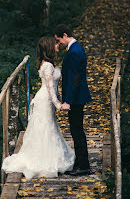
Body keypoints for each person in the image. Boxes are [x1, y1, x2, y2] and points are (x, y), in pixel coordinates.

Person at [2, 37, 75, 181]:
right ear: (49, 47)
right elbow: (49, 88)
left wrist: (61, 99)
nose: (57, 45)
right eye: (54, 43)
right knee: (45, 128)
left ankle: (50, 156)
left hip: (49, 99)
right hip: (45, 100)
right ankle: (43, 160)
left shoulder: (49, 63)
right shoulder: (47, 65)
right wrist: (58, 104)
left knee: (49, 127)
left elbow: (54, 86)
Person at [54, 24, 92, 176]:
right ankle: (81, 163)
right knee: (77, 131)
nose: (59, 44)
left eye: (59, 40)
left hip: (75, 99)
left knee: (77, 132)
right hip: (76, 97)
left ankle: (83, 165)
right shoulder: (76, 49)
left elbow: (75, 79)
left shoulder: (74, 52)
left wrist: (68, 100)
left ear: (65, 35)